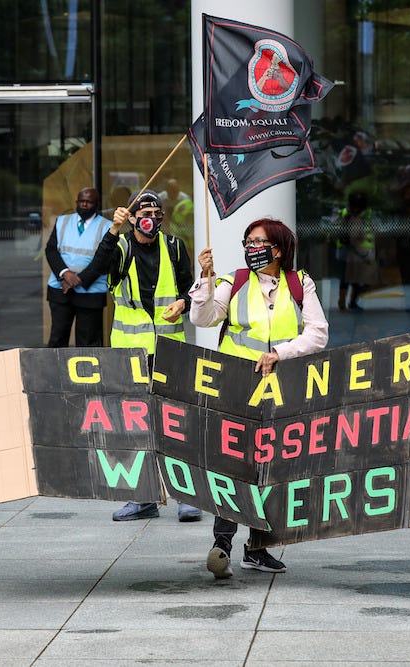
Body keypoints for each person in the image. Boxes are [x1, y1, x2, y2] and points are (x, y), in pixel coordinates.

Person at [190, 218, 329, 579]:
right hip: (236, 388)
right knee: (233, 465)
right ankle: (223, 543)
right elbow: (202, 318)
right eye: (248, 241)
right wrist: (204, 280)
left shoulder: (300, 284)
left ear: (278, 250)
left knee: (273, 467)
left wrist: (280, 353)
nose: (252, 247)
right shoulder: (233, 282)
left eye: (259, 241)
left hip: (282, 390)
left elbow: (318, 335)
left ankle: (259, 548)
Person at [86, 190, 201, 522]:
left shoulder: (175, 247)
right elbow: (95, 271)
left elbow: (189, 288)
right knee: (134, 425)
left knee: (174, 423)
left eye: (157, 212)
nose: (152, 218)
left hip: (168, 349)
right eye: (145, 212)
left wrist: (184, 302)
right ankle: (142, 498)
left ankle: (185, 497)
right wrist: (112, 231)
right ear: (132, 216)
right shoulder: (120, 247)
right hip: (130, 353)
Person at [45, 187, 111, 347]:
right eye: (81, 201)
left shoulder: (107, 227)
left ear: (97, 204)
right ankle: (55, 372)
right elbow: (51, 250)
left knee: (88, 342)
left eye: (88, 202)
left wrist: (78, 279)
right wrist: (65, 274)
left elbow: (103, 260)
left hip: (90, 292)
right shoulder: (62, 221)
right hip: (60, 288)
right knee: (57, 339)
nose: (84, 205)